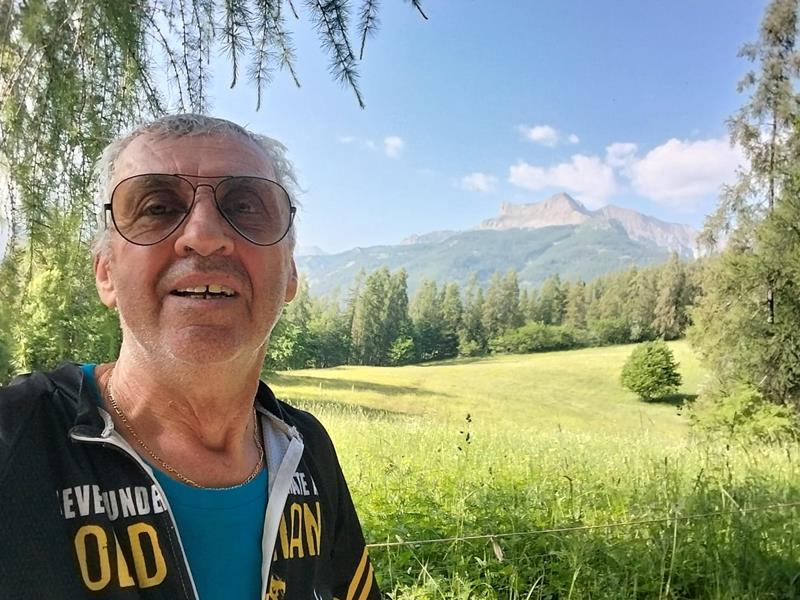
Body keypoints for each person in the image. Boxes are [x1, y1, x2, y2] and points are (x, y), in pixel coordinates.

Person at [0, 114, 379, 600]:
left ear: (289, 274)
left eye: (244, 206)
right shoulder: (14, 439)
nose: (203, 235)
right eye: (157, 208)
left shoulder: (306, 448)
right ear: (106, 273)